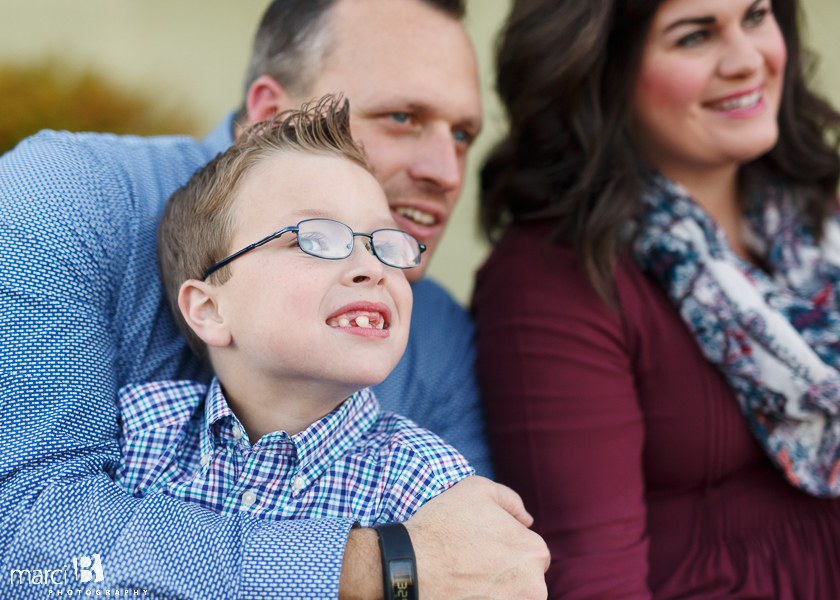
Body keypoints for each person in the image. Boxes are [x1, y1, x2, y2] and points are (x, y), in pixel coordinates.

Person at [0, 0, 549, 598]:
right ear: (269, 115)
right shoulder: (69, 201)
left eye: (464, 134)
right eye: (401, 116)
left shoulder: (435, 335)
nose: (447, 170)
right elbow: (23, 535)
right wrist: (370, 566)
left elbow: (474, 563)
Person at [474, 0, 840, 597]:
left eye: (755, 16)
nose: (747, 59)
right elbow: (594, 581)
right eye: (695, 36)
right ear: (603, 69)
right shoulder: (551, 280)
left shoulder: (804, 218)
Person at [114, 100, 476, 525]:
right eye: (317, 240)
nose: (372, 268)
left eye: (386, 243)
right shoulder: (137, 431)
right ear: (210, 309)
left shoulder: (430, 486)